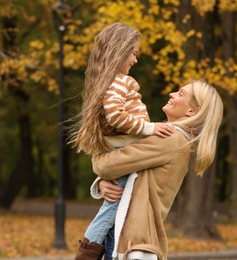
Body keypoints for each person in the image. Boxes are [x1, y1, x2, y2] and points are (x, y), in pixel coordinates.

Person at [69, 22, 174, 260]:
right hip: (125, 146)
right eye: (134, 53)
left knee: (117, 209)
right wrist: (150, 128)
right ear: (120, 50)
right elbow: (117, 116)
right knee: (113, 209)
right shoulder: (120, 82)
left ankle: (97, 251)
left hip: (121, 149)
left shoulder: (107, 83)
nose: (135, 60)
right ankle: (87, 252)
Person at [90, 80, 224, 260]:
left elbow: (107, 166)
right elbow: (131, 173)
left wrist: (96, 159)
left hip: (130, 242)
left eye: (181, 94)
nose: (172, 94)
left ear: (191, 111)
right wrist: (103, 183)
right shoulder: (175, 140)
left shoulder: (169, 140)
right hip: (131, 238)